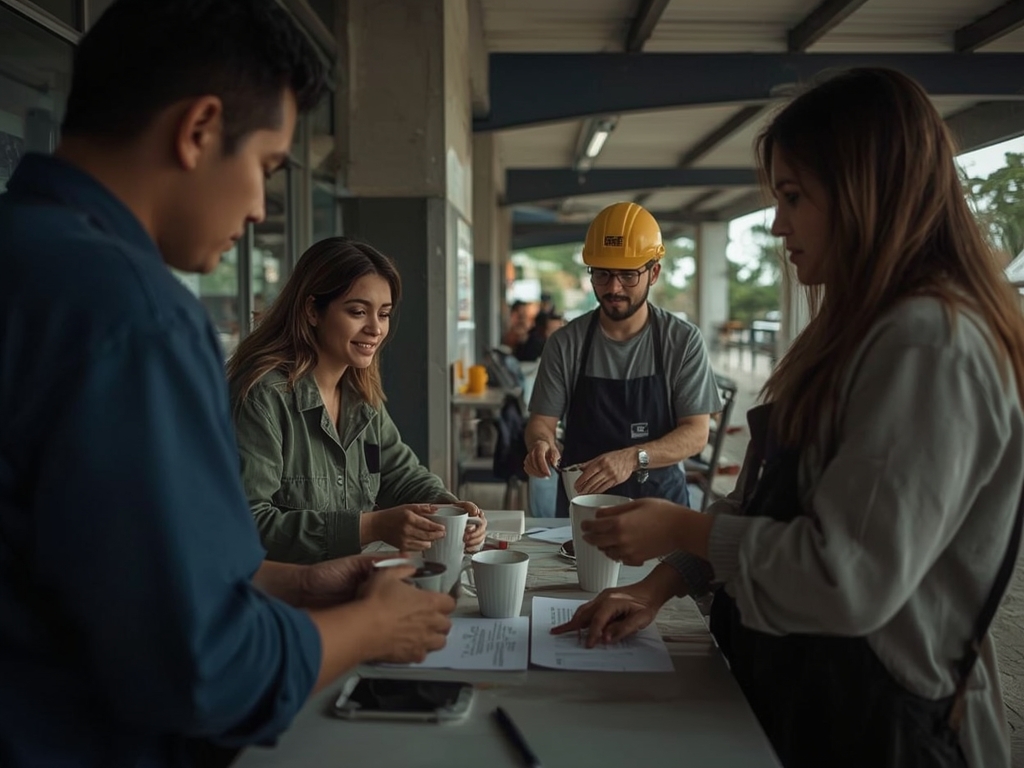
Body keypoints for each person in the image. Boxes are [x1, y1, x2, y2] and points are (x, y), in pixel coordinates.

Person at [0, 3, 455, 767]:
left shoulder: (27, 259)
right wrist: (367, 629)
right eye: (268, 168)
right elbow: (203, 665)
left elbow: (100, 575)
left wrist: (300, 582)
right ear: (199, 129)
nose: (258, 208)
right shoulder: (134, 315)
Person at [554, 68, 1024, 768]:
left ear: (866, 191)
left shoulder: (927, 344)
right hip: (814, 697)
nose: (778, 225)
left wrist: (681, 526)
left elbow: (846, 577)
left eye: (794, 197)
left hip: (882, 724)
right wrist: (660, 584)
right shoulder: (855, 332)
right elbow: (766, 503)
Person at [227, 237, 487, 563]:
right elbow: (247, 523)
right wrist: (370, 527)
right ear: (312, 311)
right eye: (358, 312)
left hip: (350, 578)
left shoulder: (362, 396)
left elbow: (400, 475)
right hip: (282, 590)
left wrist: (451, 508)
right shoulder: (262, 397)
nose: (375, 328)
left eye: (384, 313)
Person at [523, 201, 721, 516]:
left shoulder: (682, 341)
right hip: (584, 507)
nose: (613, 288)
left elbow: (697, 434)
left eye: (628, 275)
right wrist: (540, 444)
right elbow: (541, 423)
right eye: (602, 274)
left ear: (654, 272)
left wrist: (632, 458)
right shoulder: (565, 342)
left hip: (661, 508)